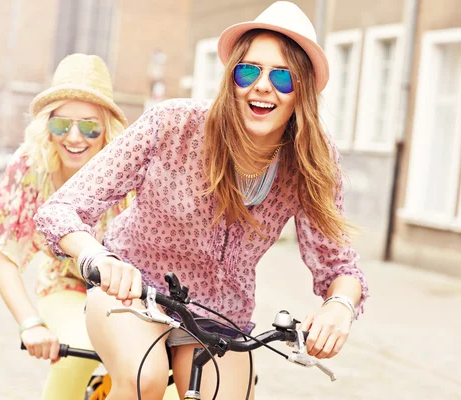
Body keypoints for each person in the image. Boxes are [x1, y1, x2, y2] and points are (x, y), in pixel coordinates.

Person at [34, 2, 369, 399]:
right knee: (146, 379)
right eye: (249, 71)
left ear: (303, 92)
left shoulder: (311, 158)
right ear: (232, 79)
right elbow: (61, 208)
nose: (262, 86)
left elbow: (338, 266)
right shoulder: (173, 124)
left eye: (283, 77)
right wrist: (98, 258)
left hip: (219, 315)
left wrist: (339, 308)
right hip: (132, 292)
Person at [0, 53, 135, 400]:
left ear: (107, 129)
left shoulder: (128, 166)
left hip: (129, 292)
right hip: (65, 285)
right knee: (76, 352)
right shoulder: (32, 166)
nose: (74, 136)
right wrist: (30, 324)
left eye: (89, 126)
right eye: (61, 124)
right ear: (46, 125)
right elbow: (5, 261)